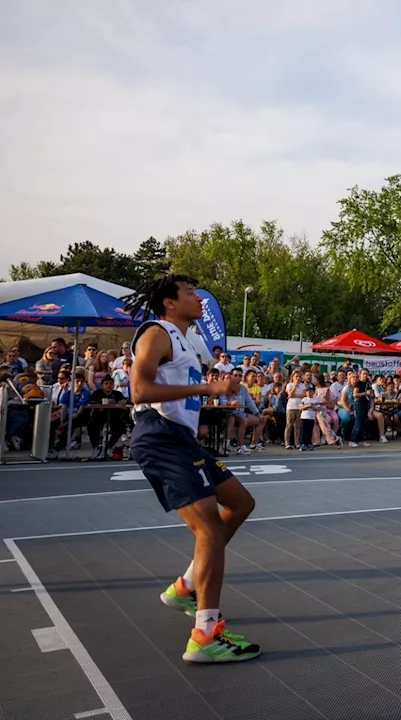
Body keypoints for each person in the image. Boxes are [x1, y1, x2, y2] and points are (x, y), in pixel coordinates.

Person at [123, 274, 259, 663]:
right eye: (189, 293)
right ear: (168, 302)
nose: (199, 298)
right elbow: (140, 391)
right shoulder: (156, 332)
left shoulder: (187, 340)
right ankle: (205, 634)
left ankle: (185, 585)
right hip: (160, 435)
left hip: (180, 437)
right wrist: (206, 390)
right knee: (210, 529)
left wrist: (218, 390)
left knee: (240, 503)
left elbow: (177, 390)